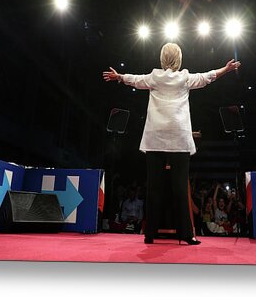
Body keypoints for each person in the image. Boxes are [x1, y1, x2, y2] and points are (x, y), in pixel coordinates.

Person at [103, 43, 241, 245]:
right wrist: (226, 69)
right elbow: (208, 77)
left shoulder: (154, 77)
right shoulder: (184, 77)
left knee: (154, 188)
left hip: (155, 138)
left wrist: (120, 77)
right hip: (178, 139)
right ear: (179, 58)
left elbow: (135, 80)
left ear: (162, 58)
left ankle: (149, 234)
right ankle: (186, 234)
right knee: (179, 189)